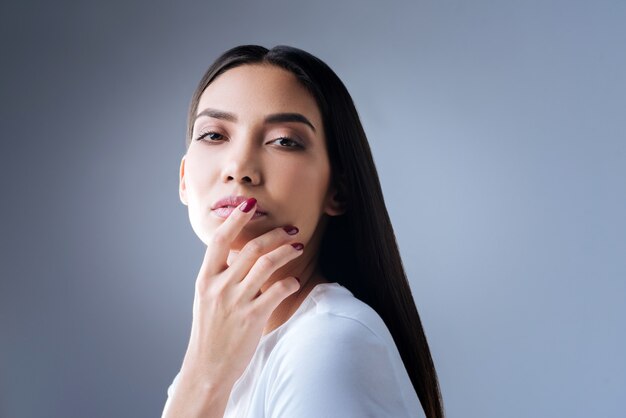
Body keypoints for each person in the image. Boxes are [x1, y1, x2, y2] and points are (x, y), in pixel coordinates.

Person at [161, 44, 444, 418]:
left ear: (337, 191)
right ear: (184, 180)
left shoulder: (328, 342)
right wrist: (201, 372)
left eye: (284, 141)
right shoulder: (216, 359)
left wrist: (205, 379)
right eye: (214, 135)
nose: (240, 167)